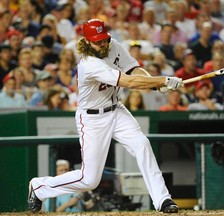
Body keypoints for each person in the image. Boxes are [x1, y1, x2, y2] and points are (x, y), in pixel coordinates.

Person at [28, 18, 181, 214]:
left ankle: (163, 200)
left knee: (142, 144)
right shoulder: (89, 64)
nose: (102, 44)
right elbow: (128, 81)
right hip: (92, 119)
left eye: (104, 39)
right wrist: (164, 80)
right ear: (87, 41)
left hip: (116, 109)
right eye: (97, 41)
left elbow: (133, 69)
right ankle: (39, 187)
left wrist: (152, 82)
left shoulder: (113, 45)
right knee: (90, 180)